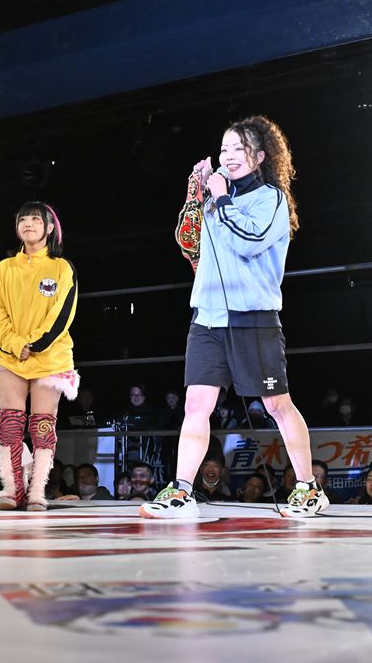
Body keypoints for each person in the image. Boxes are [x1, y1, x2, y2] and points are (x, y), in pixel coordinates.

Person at [143, 116, 329, 520]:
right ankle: (182, 490)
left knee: (276, 403)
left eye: (238, 149)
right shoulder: (216, 197)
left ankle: (308, 488)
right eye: (224, 148)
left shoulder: (270, 198)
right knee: (197, 403)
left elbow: (249, 242)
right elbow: (188, 243)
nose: (228, 156)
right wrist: (195, 195)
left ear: (259, 156)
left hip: (253, 317)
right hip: (207, 317)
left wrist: (221, 199)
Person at [0, 202, 79, 511]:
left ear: (49, 228)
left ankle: (37, 490)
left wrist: (35, 343)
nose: (28, 224)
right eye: (23, 219)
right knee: (10, 425)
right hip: (11, 356)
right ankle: (13, 489)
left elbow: (63, 313)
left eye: (36, 220)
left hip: (50, 356)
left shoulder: (61, 267)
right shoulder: (5, 268)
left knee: (43, 425)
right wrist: (16, 344)